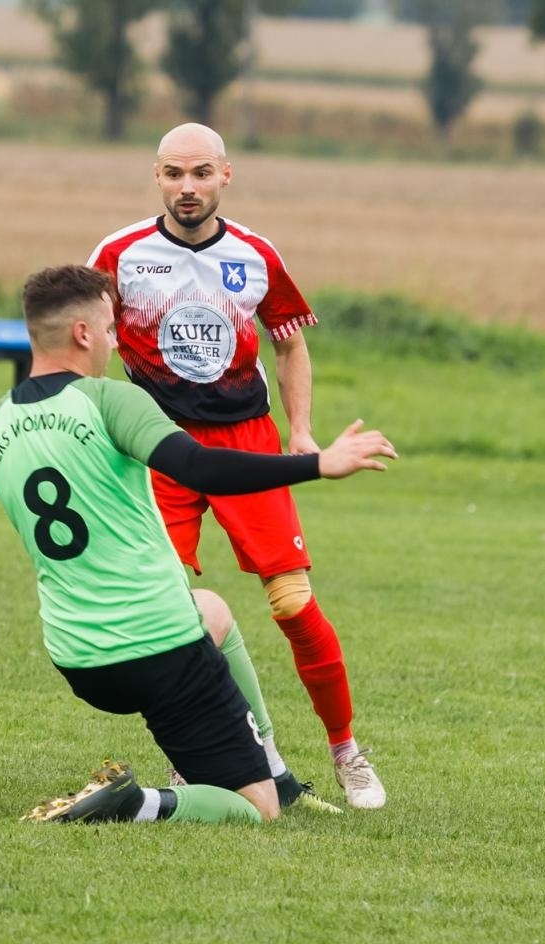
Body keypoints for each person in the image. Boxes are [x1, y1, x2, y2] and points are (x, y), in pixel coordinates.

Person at [0, 265, 396, 825]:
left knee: (212, 608)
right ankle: (137, 802)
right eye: (112, 329)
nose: (115, 343)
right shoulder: (111, 400)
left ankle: (274, 769)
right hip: (159, 650)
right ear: (83, 332)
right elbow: (201, 468)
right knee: (254, 809)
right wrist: (318, 464)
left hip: (81, 661)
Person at [87, 122, 387, 810]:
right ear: (155, 176)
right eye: (172, 174)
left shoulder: (255, 255)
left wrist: (303, 432)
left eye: (199, 173)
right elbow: (86, 339)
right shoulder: (119, 254)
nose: (186, 188)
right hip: (157, 445)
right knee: (163, 611)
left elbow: (289, 344)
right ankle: (196, 761)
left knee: (294, 603)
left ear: (226, 175)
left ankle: (346, 750)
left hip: (246, 440)